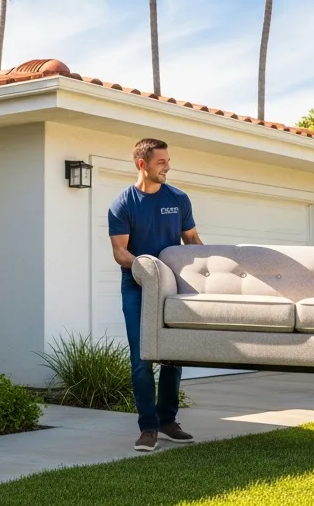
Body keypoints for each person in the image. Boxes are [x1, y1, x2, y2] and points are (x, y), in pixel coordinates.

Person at [109, 138, 204, 452]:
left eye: (167, 161)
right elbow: (120, 252)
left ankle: (167, 421)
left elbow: (192, 240)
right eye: (160, 162)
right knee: (142, 358)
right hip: (136, 288)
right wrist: (145, 269)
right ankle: (147, 427)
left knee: (173, 356)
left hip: (175, 288)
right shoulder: (123, 204)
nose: (167, 166)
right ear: (142, 164)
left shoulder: (178, 199)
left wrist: (209, 271)